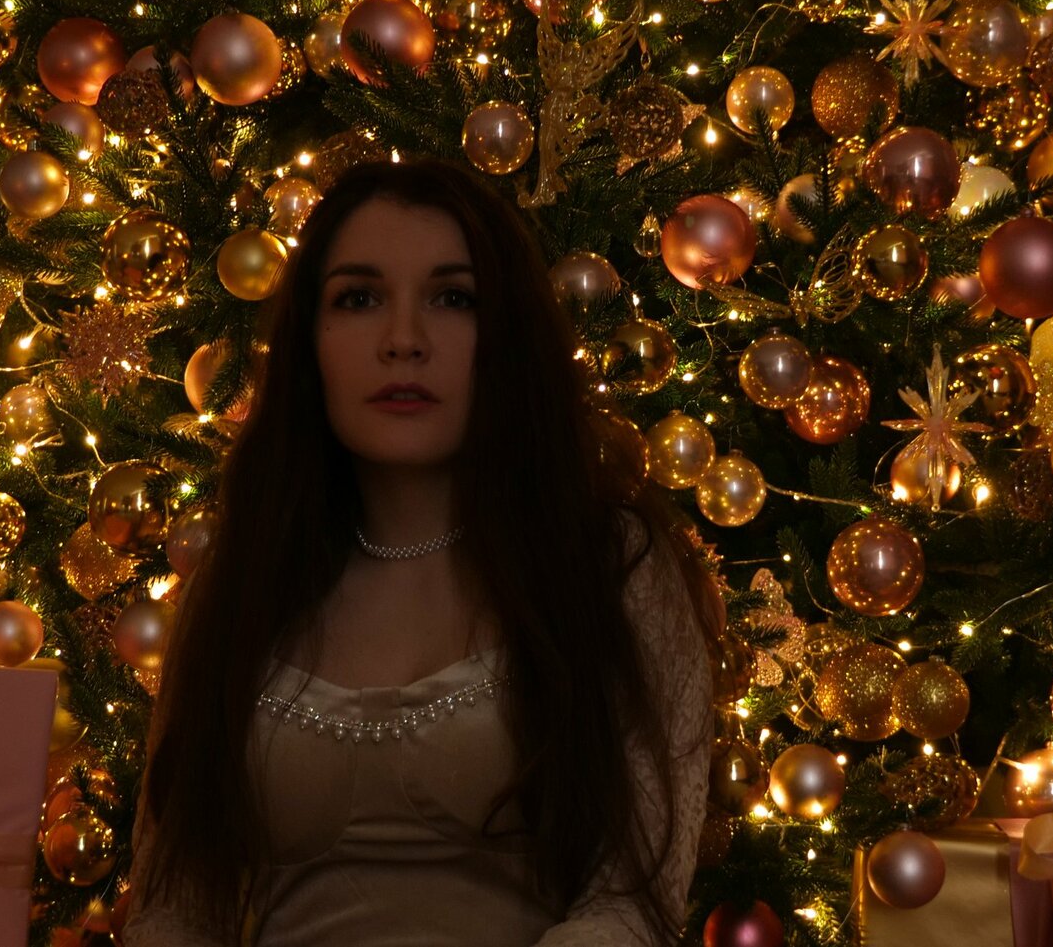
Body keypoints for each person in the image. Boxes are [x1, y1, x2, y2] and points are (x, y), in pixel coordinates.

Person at [119, 157, 724, 946]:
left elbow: (631, 905)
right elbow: (173, 909)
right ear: (309, 343)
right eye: (359, 298)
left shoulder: (611, 564)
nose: (403, 340)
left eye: (453, 298)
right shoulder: (244, 577)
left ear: (505, 334)